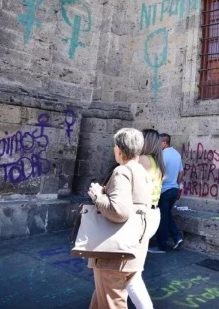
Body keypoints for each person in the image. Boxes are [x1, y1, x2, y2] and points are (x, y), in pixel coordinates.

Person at [86, 128, 153, 309]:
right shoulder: (142, 172)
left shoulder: (122, 171)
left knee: (110, 302)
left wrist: (97, 196)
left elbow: (119, 211)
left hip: (114, 255)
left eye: (115, 145)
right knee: (102, 300)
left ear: (120, 149)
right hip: (132, 250)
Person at [126, 129, 165, 309]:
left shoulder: (143, 160)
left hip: (140, 216)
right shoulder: (158, 163)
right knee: (129, 267)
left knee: (130, 272)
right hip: (153, 214)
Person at [148, 133, 183, 253]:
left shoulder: (162, 155)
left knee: (162, 218)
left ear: (164, 142)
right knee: (167, 214)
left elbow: (158, 173)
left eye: (159, 143)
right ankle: (177, 237)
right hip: (174, 189)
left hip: (164, 190)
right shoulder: (177, 154)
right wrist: (177, 184)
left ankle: (161, 246)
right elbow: (181, 173)